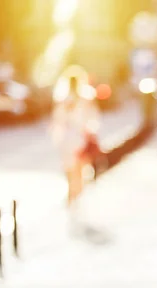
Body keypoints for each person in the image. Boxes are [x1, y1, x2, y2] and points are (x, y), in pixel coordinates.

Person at [49, 69, 101, 206]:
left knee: (69, 168)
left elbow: (57, 120)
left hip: (66, 139)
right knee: (80, 170)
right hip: (80, 138)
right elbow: (93, 119)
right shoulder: (86, 99)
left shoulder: (62, 100)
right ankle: (76, 194)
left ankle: (72, 194)